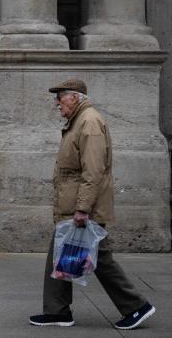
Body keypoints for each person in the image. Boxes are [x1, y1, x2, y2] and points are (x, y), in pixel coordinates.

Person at [29, 78, 155, 330]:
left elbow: (93, 171)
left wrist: (82, 208)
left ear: (74, 97)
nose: (57, 102)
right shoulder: (79, 121)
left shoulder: (89, 122)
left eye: (60, 96)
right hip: (73, 203)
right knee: (60, 254)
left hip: (82, 207)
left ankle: (136, 306)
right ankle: (57, 311)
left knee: (100, 259)